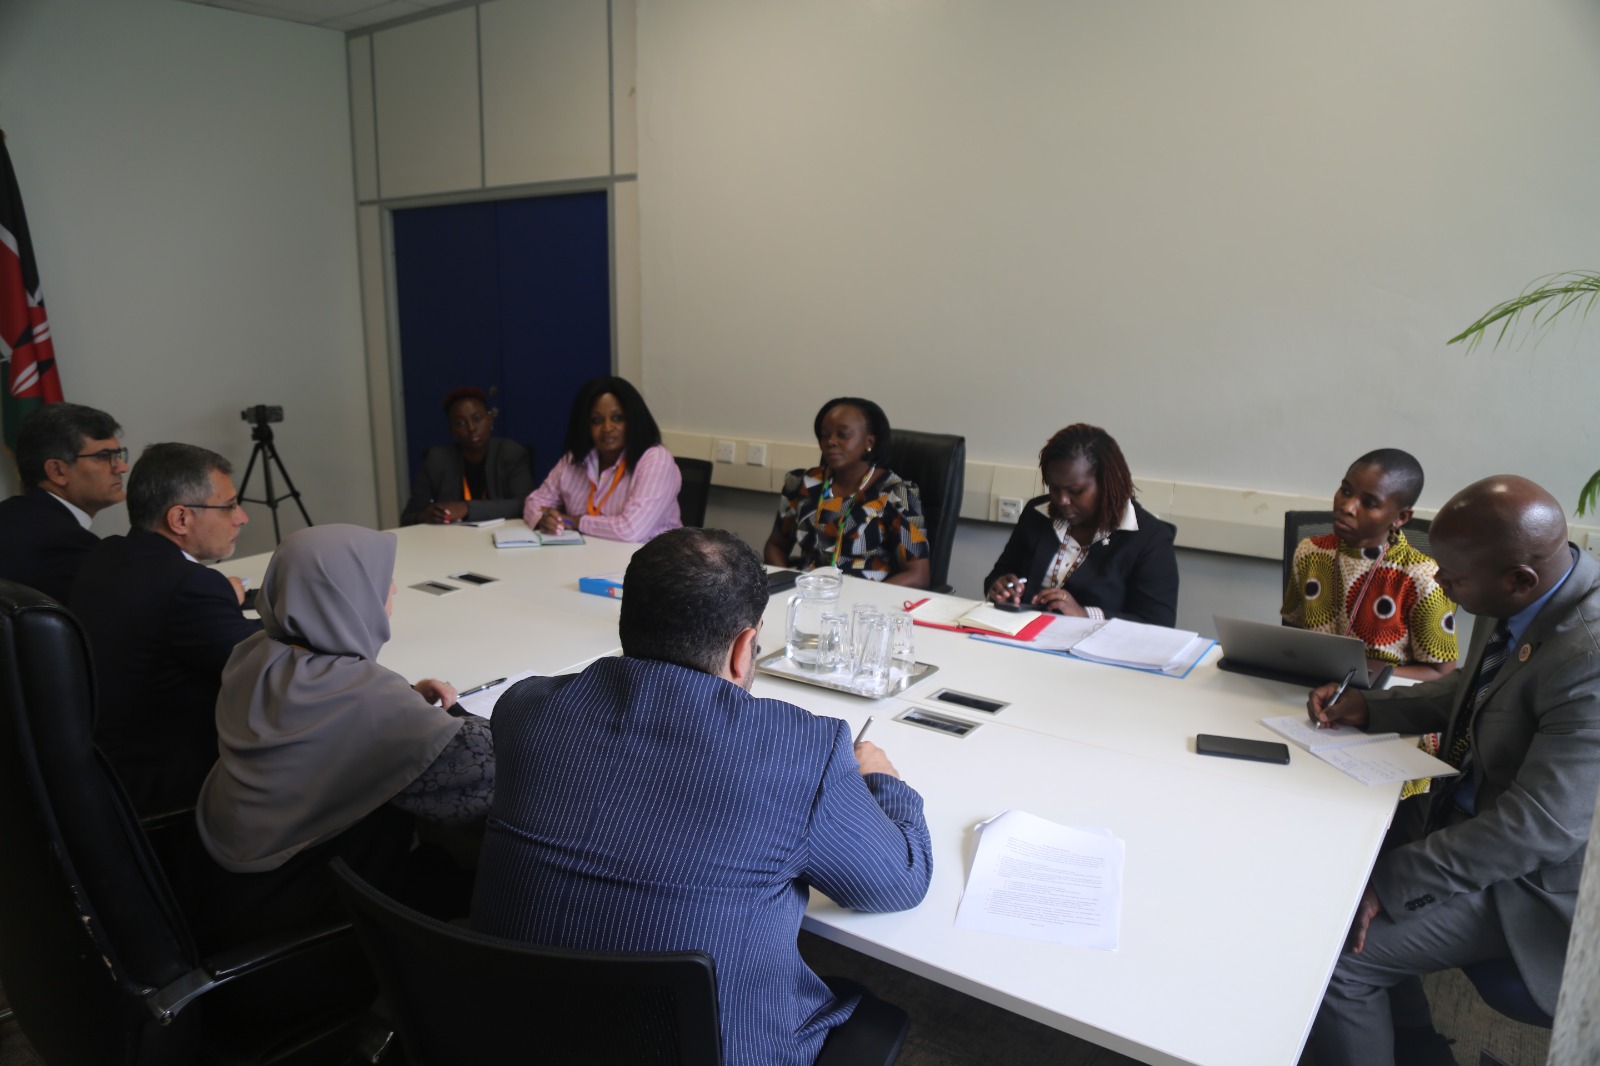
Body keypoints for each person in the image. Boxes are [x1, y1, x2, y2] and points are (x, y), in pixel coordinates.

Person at [473, 527, 932, 1066]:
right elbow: (900, 882)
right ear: (743, 648)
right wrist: (881, 781)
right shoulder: (800, 751)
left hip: (517, 1036)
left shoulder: (524, 710)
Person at [1307, 476, 1600, 1066]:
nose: (1439, 581)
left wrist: (1390, 883)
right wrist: (1371, 707)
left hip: (1532, 878)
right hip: (1469, 820)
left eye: (1455, 577)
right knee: (1324, 863)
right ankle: (1415, 1044)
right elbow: (1482, 689)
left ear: (1519, 580)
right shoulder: (1520, 590)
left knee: (1334, 958)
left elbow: (1539, 828)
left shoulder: (1588, 657)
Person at [194, 523, 493, 947]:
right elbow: (490, 772)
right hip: (305, 911)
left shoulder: (254, 653)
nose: (392, 589)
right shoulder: (366, 696)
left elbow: (333, 715)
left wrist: (405, 696)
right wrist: (451, 712)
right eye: (381, 581)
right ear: (348, 596)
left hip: (227, 884)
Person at [70, 443, 260, 814]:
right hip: (169, 784)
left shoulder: (107, 554)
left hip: (102, 769)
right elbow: (265, 668)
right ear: (180, 519)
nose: (242, 517)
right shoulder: (189, 586)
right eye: (229, 506)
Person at [1282, 449, 1459, 682]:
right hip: (1309, 684)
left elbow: (1441, 674)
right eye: (1345, 491)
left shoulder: (1423, 577)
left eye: (1369, 503)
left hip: (1382, 695)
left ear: (1401, 518)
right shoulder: (1310, 552)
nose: (1347, 507)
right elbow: (1291, 632)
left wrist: (1361, 676)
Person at [984, 424, 1178, 626]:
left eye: (1075, 491)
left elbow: (1159, 624)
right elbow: (998, 575)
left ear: (1106, 484)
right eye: (1054, 488)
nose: (1062, 500)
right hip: (1020, 635)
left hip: (1095, 644)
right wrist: (1000, 588)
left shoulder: (1151, 539)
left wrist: (1085, 615)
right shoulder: (1037, 514)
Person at [763, 396, 931, 587]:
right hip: (807, 593)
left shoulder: (896, 493)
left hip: (867, 598)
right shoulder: (802, 484)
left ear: (870, 442)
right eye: (825, 435)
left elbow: (918, 575)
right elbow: (776, 546)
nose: (830, 441)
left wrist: (870, 600)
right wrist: (787, 586)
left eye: (842, 435)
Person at [522, 375, 681, 542]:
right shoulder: (574, 459)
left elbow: (631, 530)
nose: (607, 428)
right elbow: (535, 501)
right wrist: (545, 519)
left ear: (633, 420)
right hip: (590, 553)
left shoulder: (656, 460)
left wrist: (576, 521)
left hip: (651, 556)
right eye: (596, 420)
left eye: (617, 418)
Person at [0, 402, 127, 602]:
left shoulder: (8, 513)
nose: (122, 467)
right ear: (58, 471)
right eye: (103, 456)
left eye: (118, 455)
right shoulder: (68, 544)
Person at [400, 386, 534, 525]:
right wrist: (424, 516)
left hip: (501, 534)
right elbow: (408, 518)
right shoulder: (437, 459)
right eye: (461, 423)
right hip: (451, 537)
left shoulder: (511, 453)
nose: (471, 428)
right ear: (452, 430)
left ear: (490, 420)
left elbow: (524, 504)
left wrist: (467, 508)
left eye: (477, 419)